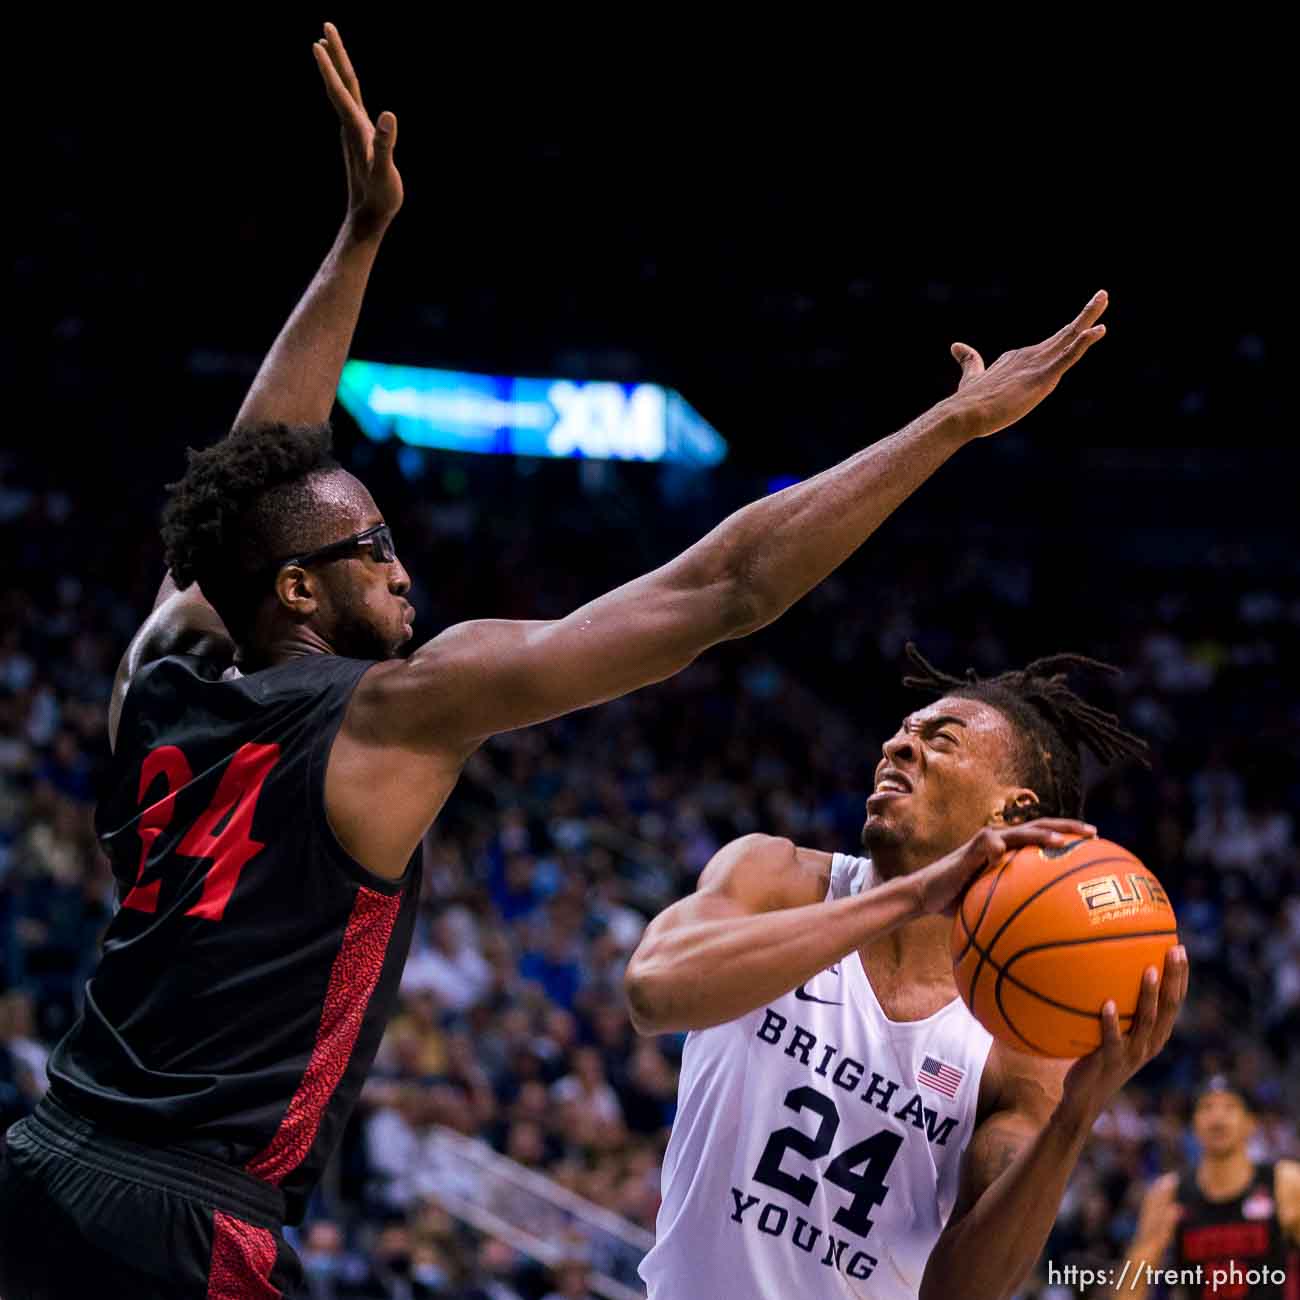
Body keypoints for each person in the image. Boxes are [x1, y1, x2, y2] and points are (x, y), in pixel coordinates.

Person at [0, 20, 1114, 1297]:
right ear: (297, 587)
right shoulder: (395, 713)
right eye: (373, 549)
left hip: (45, 1159)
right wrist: (950, 425)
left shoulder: (163, 677)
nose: (404, 567)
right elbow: (726, 587)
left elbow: (253, 479)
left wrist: (358, 240)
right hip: (191, 1217)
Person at [627, 646, 1190, 1299]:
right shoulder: (774, 878)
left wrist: (1077, 1113)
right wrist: (912, 895)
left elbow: (963, 1293)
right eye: (901, 732)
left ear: (1012, 811)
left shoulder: (1017, 1041)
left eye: (938, 740)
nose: (897, 746)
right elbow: (653, 991)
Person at [1124, 1077, 1299, 1299]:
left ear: (1251, 1123)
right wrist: (1148, 1251)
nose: (1217, 1118)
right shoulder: (1167, 1193)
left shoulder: (1285, 1182)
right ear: (1193, 1124)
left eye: (1230, 1107)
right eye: (1207, 1107)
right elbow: (1130, 1287)